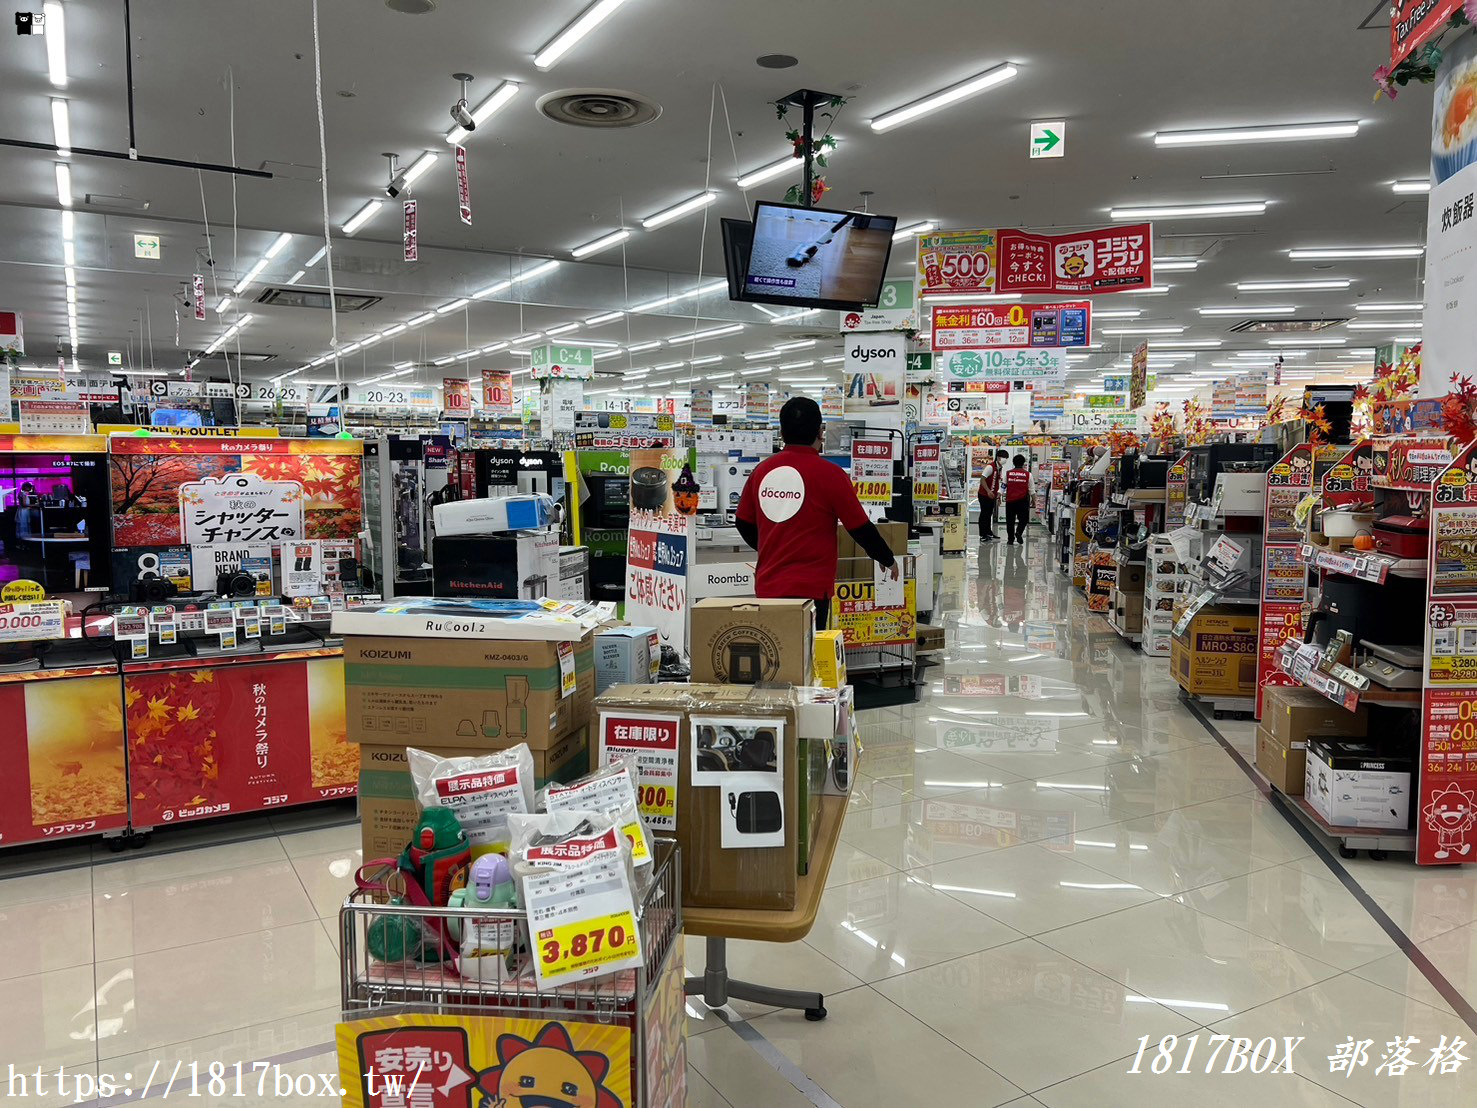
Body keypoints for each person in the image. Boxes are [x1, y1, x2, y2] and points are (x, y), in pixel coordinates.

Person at [736, 397, 900, 630]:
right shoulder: (831, 475)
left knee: (773, 657)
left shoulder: (762, 471)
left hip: (769, 585)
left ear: (781, 432)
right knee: (808, 658)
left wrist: (770, 548)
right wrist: (886, 558)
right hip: (812, 590)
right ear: (820, 432)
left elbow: (743, 522)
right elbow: (859, 527)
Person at [977, 448, 1006, 542]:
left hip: (992, 495)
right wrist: (988, 491)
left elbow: (997, 481)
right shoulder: (990, 467)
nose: (1005, 459)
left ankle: (988, 532)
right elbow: (982, 479)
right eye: (1004, 457)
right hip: (984, 494)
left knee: (989, 514)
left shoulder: (999, 468)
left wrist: (998, 495)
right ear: (998, 458)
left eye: (1006, 458)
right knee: (984, 514)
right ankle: (982, 535)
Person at [1004, 453, 1031, 544]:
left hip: (1010, 501)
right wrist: (1034, 500)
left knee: (1010, 521)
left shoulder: (1008, 473)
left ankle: (1010, 539)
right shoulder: (1028, 474)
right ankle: (1019, 532)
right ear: (1023, 463)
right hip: (1022, 501)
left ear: (1013, 462)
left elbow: (1003, 486)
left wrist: (999, 495)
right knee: (1024, 519)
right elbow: (1032, 490)